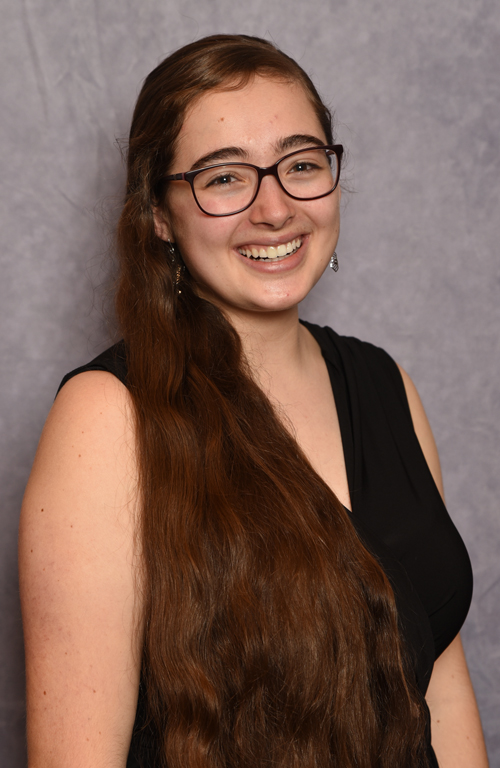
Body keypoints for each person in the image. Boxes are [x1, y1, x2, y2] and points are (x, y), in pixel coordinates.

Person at [19, 34, 489, 768]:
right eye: (225, 178)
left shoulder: (385, 385)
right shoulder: (108, 417)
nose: (274, 209)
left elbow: (439, 681)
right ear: (159, 215)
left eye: (301, 164)